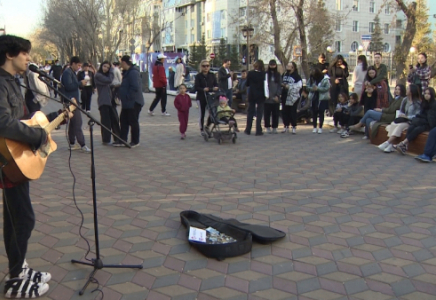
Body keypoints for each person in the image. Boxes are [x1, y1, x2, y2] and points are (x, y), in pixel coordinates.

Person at [0, 34, 66, 299]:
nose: (29, 57)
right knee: (23, 219)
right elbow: (3, 123)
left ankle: (20, 267)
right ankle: (15, 278)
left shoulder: (14, 82)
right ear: (10, 54)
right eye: (25, 53)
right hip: (6, 161)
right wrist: (38, 137)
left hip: (17, 160)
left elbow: (24, 121)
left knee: (15, 218)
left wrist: (53, 119)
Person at [378, 84, 421, 153]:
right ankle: (391, 145)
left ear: (412, 91)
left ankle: (388, 142)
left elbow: (417, 115)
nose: (406, 90)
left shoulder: (417, 103)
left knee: (399, 126)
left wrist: (407, 117)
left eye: (408, 89)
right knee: (393, 124)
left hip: (410, 121)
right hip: (402, 119)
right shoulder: (405, 100)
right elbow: (401, 110)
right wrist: (402, 115)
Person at [61, 56, 91, 153]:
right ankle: (82, 144)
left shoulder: (72, 72)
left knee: (73, 124)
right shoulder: (67, 73)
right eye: (78, 65)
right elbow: (69, 86)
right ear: (73, 63)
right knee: (78, 122)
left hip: (73, 100)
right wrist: (79, 83)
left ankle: (72, 143)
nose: (79, 67)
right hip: (70, 101)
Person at [394, 87, 436, 155]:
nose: (426, 95)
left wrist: (421, 119)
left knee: (417, 129)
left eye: (428, 94)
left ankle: (403, 143)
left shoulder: (434, 104)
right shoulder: (424, 103)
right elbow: (421, 114)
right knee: (411, 126)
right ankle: (405, 146)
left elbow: (431, 118)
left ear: (432, 95)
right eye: (425, 93)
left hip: (429, 124)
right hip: (422, 121)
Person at [118, 55, 145, 148]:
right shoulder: (127, 72)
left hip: (134, 102)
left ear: (124, 63)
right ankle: (122, 139)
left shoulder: (133, 72)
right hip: (127, 103)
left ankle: (135, 140)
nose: (120, 65)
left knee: (133, 121)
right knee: (123, 120)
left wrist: (127, 96)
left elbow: (135, 87)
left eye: (121, 63)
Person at [94, 61, 122, 146]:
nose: (105, 68)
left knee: (115, 120)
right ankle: (106, 139)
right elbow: (109, 80)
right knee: (106, 122)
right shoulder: (98, 75)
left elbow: (110, 84)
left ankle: (118, 138)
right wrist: (111, 71)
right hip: (104, 101)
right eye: (104, 66)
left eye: (108, 67)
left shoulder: (107, 76)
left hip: (111, 101)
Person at [194, 59, 218, 135]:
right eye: (204, 66)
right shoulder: (198, 76)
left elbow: (216, 84)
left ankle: (207, 126)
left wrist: (216, 88)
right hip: (201, 97)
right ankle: (201, 129)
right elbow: (196, 87)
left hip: (210, 97)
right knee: (202, 114)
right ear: (201, 67)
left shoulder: (212, 75)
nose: (206, 68)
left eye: (207, 66)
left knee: (212, 113)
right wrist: (203, 89)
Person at [245, 60, 266, 136]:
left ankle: (248, 129)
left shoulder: (250, 73)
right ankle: (258, 130)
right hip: (261, 94)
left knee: (250, 112)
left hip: (252, 94)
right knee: (259, 113)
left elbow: (247, 84)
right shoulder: (264, 74)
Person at [307, 67, 331, 134]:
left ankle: (320, 127)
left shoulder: (325, 78)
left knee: (321, 112)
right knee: (314, 112)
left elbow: (327, 87)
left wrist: (318, 88)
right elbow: (307, 86)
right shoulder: (311, 78)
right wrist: (312, 88)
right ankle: (314, 127)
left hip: (322, 98)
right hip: (314, 97)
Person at [282, 62, 302, 134]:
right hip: (285, 95)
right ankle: (285, 126)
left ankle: (293, 126)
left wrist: (289, 87)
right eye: (287, 65)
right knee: (285, 111)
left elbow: (299, 86)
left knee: (292, 112)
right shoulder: (284, 74)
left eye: (289, 66)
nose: (288, 67)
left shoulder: (297, 76)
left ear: (293, 67)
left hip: (293, 97)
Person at [264, 60, 282, 134]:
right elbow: (264, 86)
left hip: (275, 98)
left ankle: (275, 127)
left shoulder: (278, 75)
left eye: (273, 65)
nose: (272, 66)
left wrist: (277, 95)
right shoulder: (266, 74)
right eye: (271, 65)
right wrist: (266, 95)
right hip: (267, 98)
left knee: (275, 113)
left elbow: (280, 86)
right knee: (267, 113)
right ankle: (267, 127)